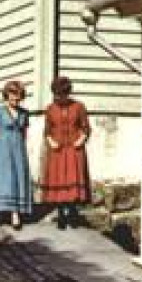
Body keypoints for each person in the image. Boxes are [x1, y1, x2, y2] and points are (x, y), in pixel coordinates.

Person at [40, 75, 91, 228]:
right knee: (59, 180)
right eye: (57, 94)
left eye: (62, 94)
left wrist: (81, 140)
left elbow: (86, 127)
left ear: (67, 93)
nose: (60, 98)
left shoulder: (79, 107)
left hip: (74, 148)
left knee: (73, 180)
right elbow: (47, 130)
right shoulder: (50, 109)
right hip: (58, 149)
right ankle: (61, 213)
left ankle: (73, 212)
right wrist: (51, 141)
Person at [0, 80, 33, 229]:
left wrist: (23, 149)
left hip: (19, 149)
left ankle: (16, 213)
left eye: (18, 96)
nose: (15, 99)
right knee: (6, 179)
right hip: (4, 149)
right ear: (7, 95)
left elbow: (25, 134)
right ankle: (3, 212)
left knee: (19, 177)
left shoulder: (24, 113)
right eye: (13, 95)